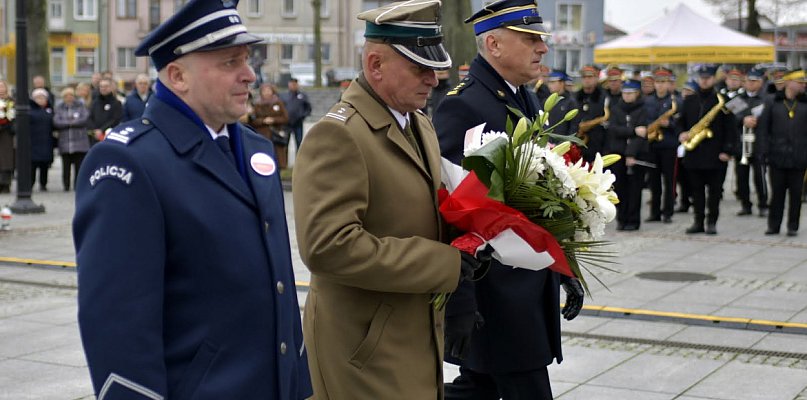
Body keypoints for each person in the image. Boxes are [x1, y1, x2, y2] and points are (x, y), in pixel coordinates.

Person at [72, 0, 312, 398]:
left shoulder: (254, 148)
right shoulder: (128, 162)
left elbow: (278, 283)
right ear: (178, 75)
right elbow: (118, 326)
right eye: (229, 63)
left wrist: (296, 383)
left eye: (247, 60)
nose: (249, 75)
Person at [292, 2, 484, 398]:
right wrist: (441, 263)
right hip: (364, 348)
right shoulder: (340, 135)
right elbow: (328, 246)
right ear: (376, 65)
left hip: (408, 334)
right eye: (420, 67)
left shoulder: (418, 123)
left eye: (435, 67)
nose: (434, 79)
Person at [433, 1, 584, 398]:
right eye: (530, 39)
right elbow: (452, 208)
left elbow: (541, 195)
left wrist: (563, 267)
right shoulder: (463, 104)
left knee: (478, 386)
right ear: (495, 44)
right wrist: (461, 299)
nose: (542, 48)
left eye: (541, 39)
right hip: (494, 293)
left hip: (525, 285)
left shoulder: (526, 99)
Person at [678, 65, 735, 235]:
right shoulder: (689, 100)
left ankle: (712, 222)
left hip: (716, 155)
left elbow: (731, 129)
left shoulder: (723, 101)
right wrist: (682, 133)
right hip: (694, 153)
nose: (704, 81)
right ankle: (698, 221)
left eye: (708, 78)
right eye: (702, 78)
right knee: (696, 192)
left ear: (713, 79)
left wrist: (728, 150)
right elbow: (681, 122)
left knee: (715, 192)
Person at [758, 68, 807, 236]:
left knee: (796, 194)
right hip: (777, 156)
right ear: (788, 82)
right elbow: (764, 129)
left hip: (799, 157)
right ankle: (774, 225)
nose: (803, 85)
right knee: (777, 193)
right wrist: (763, 151)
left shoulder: (805, 103)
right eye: (799, 82)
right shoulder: (773, 102)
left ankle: (793, 226)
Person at [608, 79, 648, 231]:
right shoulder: (617, 108)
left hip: (636, 155)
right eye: (624, 93)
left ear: (637, 94)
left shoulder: (643, 109)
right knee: (620, 188)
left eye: (630, 93)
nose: (627, 96)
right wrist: (631, 131)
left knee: (635, 189)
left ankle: (633, 220)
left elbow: (642, 133)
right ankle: (622, 218)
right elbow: (613, 129)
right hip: (618, 153)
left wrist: (631, 153)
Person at [644, 67, 680, 223]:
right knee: (654, 181)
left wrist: (669, 124)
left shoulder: (675, 102)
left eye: (663, 82)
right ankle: (655, 212)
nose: (660, 85)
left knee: (669, 181)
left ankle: (668, 212)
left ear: (669, 83)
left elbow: (681, 125)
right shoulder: (648, 101)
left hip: (668, 145)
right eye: (658, 82)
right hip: (652, 145)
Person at [733, 67, 768, 217]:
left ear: (760, 82)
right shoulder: (738, 97)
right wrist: (743, 119)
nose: (751, 84)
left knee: (759, 177)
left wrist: (756, 120)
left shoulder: (766, 98)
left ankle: (763, 204)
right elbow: (731, 116)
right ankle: (745, 204)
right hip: (742, 143)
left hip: (759, 143)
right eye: (748, 81)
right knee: (741, 177)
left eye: (754, 81)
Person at [242, 83, 289, 168]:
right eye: (264, 91)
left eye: (268, 90)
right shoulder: (257, 105)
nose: (266, 93)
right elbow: (252, 121)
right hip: (262, 134)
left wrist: (273, 120)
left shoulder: (278, 103)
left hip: (276, 134)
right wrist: (263, 121)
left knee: (278, 158)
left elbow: (285, 118)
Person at [53, 87, 90, 191]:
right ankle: (66, 185)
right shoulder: (59, 108)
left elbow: (84, 119)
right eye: (66, 96)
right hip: (65, 142)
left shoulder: (80, 106)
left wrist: (70, 123)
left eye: (71, 95)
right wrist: (70, 122)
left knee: (78, 166)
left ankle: (77, 185)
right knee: (66, 166)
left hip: (80, 141)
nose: (69, 98)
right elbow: (56, 121)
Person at [574, 64, 608, 162]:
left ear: (597, 78)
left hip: (597, 143)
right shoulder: (575, 96)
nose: (587, 80)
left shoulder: (603, 96)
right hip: (579, 142)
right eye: (584, 77)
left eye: (590, 77)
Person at [29, 88, 54, 191]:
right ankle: (30, 184)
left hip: (46, 141)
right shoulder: (29, 110)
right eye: (38, 98)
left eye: (42, 97)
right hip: (33, 141)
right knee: (32, 165)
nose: (40, 100)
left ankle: (43, 184)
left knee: (44, 165)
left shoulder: (50, 110)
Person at [279, 78, 311, 150]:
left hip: (298, 123)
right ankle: (285, 161)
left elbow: (308, 108)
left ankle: (298, 160)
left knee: (299, 143)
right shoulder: (283, 96)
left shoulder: (302, 96)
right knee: (285, 143)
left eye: (295, 84)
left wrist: (303, 116)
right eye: (291, 84)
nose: (293, 86)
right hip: (286, 124)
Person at [545, 69, 579, 136]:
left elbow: (573, 126)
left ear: (562, 83)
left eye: (553, 82)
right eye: (549, 82)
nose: (550, 85)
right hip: (548, 142)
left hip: (563, 141)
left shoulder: (570, 102)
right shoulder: (546, 101)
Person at [89, 77, 123, 143]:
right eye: (101, 86)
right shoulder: (95, 102)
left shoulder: (116, 103)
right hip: (95, 136)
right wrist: (95, 130)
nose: (103, 88)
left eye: (106, 86)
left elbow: (115, 119)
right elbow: (90, 117)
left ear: (111, 87)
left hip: (109, 135)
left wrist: (102, 130)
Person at [0, 80, 14, 193]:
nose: (1, 89)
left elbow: (14, 116)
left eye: (2, 86)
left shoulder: (12, 101)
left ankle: (6, 183)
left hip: (7, 135)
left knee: (6, 160)